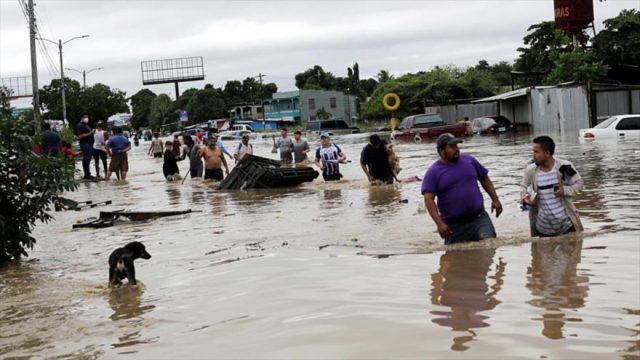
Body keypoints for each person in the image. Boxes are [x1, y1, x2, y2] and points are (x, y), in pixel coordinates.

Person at [421, 133, 502, 244]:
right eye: (452, 146)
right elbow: (428, 199)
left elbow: (485, 179)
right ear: (441, 150)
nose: (457, 149)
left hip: (478, 218)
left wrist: (495, 199)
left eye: (457, 146)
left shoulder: (469, 161)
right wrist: (439, 224)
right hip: (453, 226)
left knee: (489, 246)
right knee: (457, 258)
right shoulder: (433, 172)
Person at [520, 136, 583, 237]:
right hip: (543, 229)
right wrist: (525, 198)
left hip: (567, 226)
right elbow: (523, 187)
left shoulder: (564, 166)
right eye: (533, 152)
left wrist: (565, 190)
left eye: (536, 152)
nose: (533, 155)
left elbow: (579, 184)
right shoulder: (531, 170)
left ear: (547, 153)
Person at [76, 115, 96, 179]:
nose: (87, 119)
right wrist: (91, 133)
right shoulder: (80, 125)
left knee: (88, 158)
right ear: (82, 118)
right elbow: (81, 136)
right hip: (85, 144)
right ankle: (87, 175)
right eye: (85, 118)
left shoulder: (86, 125)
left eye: (87, 117)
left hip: (89, 144)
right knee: (86, 159)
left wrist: (92, 133)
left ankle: (88, 174)